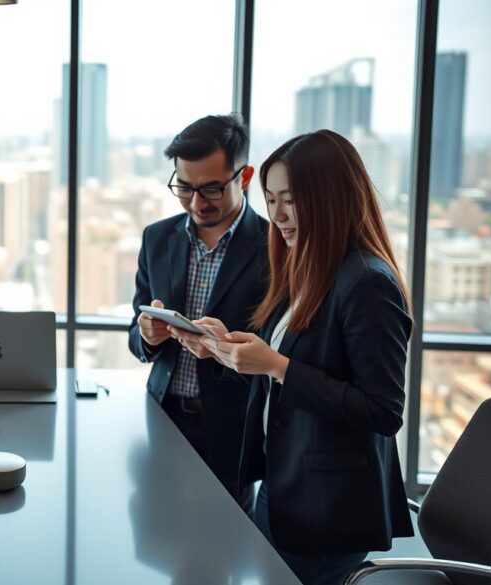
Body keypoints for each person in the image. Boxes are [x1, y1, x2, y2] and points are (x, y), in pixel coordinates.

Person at [179, 130, 414, 584]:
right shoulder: (307, 270)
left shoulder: (367, 282)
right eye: (270, 199)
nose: (278, 215)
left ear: (332, 197)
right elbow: (282, 379)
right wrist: (223, 351)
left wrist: (278, 366)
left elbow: (383, 412)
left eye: (291, 199)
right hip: (286, 486)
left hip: (328, 509)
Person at [127, 113, 269, 514]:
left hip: (231, 428)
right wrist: (147, 337)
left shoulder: (274, 249)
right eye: (184, 188)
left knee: (222, 549)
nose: (195, 202)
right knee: (155, 532)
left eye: (210, 189)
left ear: (243, 178)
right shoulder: (157, 238)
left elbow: (280, 353)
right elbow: (135, 337)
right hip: (163, 416)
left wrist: (224, 350)